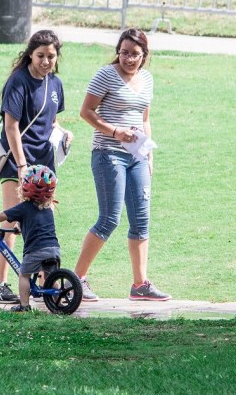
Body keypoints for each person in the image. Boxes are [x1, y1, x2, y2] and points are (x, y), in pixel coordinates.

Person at [73, 28, 170, 302]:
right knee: (109, 219)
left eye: (135, 54)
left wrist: (149, 156)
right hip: (108, 153)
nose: (129, 59)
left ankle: (140, 285)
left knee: (141, 219)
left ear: (144, 55)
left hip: (137, 156)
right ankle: (76, 279)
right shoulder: (106, 75)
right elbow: (86, 112)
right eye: (124, 53)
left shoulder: (147, 79)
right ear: (118, 51)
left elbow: (144, 118)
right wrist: (115, 132)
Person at [0, 29, 72, 303]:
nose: (46, 61)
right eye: (40, 56)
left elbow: (51, 122)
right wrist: (21, 165)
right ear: (30, 54)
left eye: (51, 56)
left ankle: (44, 282)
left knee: (43, 223)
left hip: (45, 166)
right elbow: (11, 126)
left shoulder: (55, 84)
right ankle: (1, 281)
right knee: (12, 220)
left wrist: (63, 132)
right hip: (19, 162)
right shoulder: (18, 82)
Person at [0, 165, 61, 312]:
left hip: (36, 250)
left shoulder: (24, 207)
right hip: (54, 250)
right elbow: (35, 221)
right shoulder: (48, 208)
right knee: (50, 277)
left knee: (24, 275)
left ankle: (24, 305)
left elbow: (4, 215)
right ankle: (58, 303)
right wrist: (19, 226)